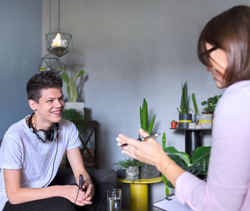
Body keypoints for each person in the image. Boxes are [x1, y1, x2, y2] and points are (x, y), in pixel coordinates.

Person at [117, 5, 250, 211]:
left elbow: (217, 206)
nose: (207, 66)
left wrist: (160, 159)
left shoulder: (237, 100)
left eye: (209, 54)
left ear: (234, 45)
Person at [0, 72, 105, 211]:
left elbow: (80, 170)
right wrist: (61, 191)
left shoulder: (68, 128)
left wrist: (86, 183)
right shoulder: (14, 137)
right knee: (62, 204)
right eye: (50, 101)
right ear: (33, 104)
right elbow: (14, 195)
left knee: (104, 191)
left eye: (60, 99)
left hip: (45, 195)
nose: (59, 105)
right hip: (13, 204)